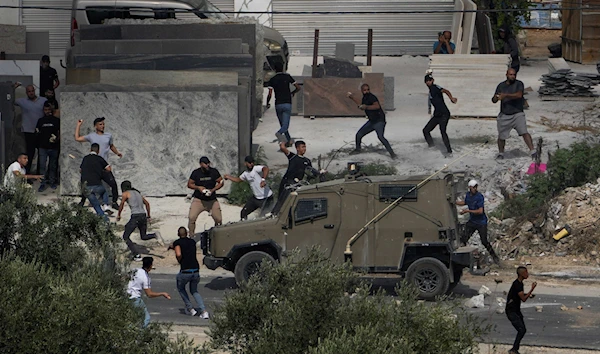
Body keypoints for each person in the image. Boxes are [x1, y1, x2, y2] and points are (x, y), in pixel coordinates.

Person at [75, 117, 122, 209]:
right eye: (100, 124)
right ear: (95, 126)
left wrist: (117, 153)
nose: (103, 126)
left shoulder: (108, 135)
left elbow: (111, 146)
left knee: (113, 183)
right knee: (85, 183)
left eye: (103, 124)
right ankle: (82, 201)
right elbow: (77, 138)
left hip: (103, 166)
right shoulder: (91, 136)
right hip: (93, 166)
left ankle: (114, 202)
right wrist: (78, 125)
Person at [492, 69, 535, 160]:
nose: (513, 76)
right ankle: (501, 153)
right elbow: (494, 100)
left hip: (517, 113)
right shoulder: (501, 85)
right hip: (505, 114)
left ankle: (532, 151)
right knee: (501, 136)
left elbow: (519, 95)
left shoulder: (519, 84)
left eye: (514, 75)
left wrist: (506, 95)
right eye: (511, 74)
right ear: (506, 75)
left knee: (524, 132)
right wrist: (496, 98)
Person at [273, 140, 324, 215]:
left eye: (305, 147)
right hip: (288, 182)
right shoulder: (293, 156)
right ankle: (275, 213)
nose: (304, 149)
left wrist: (319, 173)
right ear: (297, 148)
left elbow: (311, 172)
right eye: (302, 147)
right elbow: (282, 148)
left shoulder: (307, 160)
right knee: (282, 200)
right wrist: (286, 141)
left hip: (298, 183)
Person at [169, 226, 209, 319]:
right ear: (187, 233)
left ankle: (190, 308)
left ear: (178, 234)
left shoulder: (177, 243)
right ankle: (204, 311)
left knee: (181, 288)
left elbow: (179, 253)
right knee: (194, 291)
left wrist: (179, 260)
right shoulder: (192, 242)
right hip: (195, 270)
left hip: (185, 271)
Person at [347, 84, 396, 159]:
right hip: (372, 121)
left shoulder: (372, 97)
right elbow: (360, 104)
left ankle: (392, 153)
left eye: (368, 90)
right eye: (364, 90)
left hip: (379, 121)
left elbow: (377, 106)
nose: (366, 91)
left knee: (381, 137)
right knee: (359, 135)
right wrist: (352, 98)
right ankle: (358, 149)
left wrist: (366, 107)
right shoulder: (365, 98)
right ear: (362, 91)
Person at [456, 180, 500, 264]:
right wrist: (455, 203)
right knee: (463, 238)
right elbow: (465, 202)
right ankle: (463, 259)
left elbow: (480, 211)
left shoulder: (479, 197)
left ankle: (495, 258)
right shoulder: (468, 195)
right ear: (470, 188)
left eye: (475, 187)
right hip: (472, 221)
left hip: (481, 222)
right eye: (473, 187)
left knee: (484, 241)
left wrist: (467, 211)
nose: (475, 189)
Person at [117, 180, 160, 262]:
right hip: (143, 215)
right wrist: (149, 215)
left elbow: (121, 205)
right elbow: (147, 204)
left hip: (135, 216)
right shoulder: (138, 193)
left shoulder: (125, 194)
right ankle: (154, 235)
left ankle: (136, 255)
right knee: (143, 236)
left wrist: (119, 215)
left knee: (125, 237)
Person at [224, 156, 274, 220]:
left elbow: (265, 168)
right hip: (256, 198)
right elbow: (238, 180)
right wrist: (228, 177)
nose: (251, 164)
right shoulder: (245, 174)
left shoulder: (255, 169)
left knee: (265, 216)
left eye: (252, 162)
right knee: (243, 213)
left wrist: (263, 180)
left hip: (266, 198)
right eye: (249, 163)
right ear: (245, 163)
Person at [127, 256, 171, 328]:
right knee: (146, 318)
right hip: (135, 298)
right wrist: (162, 293)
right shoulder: (145, 277)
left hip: (126, 296)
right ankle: (139, 336)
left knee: (130, 318)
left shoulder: (135, 270)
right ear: (150, 266)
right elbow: (149, 294)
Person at [14, 83, 47, 174]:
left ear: (34, 91)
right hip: (28, 131)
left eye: (32, 91)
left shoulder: (43, 100)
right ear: (26, 93)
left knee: (41, 153)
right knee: (30, 154)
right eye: (29, 91)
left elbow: (50, 107)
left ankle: (40, 174)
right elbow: (9, 99)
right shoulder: (22, 101)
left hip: (41, 131)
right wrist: (13, 88)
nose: (31, 93)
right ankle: (27, 174)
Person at [266, 61, 301, 145]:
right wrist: (293, 92)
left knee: (283, 124)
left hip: (278, 104)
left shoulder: (272, 79)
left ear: (274, 69)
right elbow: (298, 87)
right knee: (285, 125)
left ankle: (288, 141)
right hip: (287, 103)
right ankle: (279, 133)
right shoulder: (287, 77)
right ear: (283, 68)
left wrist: (267, 102)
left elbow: (270, 93)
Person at [187, 156, 224, 236]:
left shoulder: (213, 171)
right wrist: (198, 188)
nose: (207, 165)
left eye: (208, 163)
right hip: (199, 200)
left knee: (218, 219)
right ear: (201, 164)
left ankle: (218, 235)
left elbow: (221, 182)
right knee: (191, 218)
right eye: (205, 164)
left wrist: (213, 190)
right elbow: (189, 184)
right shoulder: (196, 173)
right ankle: (191, 235)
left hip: (212, 200)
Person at [423, 74, 457, 157]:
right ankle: (432, 147)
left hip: (444, 114)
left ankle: (449, 151)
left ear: (432, 80)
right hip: (437, 115)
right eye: (427, 81)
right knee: (426, 130)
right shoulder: (430, 91)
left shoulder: (435, 87)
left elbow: (446, 91)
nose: (428, 82)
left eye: (429, 80)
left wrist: (451, 98)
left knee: (442, 131)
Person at [505, 266, 537, 354]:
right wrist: (532, 289)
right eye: (526, 272)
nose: (528, 274)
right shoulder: (517, 284)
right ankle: (514, 350)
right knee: (521, 329)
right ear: (522, 274)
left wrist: (528, 294)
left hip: (516, 310)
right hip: (511, 311)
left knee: (522, 330)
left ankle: (515, 349)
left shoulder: (519, 284)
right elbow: (523, 299)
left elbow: (519, 295)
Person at [80, 143, 112, 220]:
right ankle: (105, 205)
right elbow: (109, 169)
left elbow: (80, 170)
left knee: (96, 205)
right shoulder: (99, 159)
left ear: (90, 149)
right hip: (97, 185)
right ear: (98, 151)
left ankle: (104, 219)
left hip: (87, 187)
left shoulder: (85, 158)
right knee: (104, 191)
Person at [35, 102, 60, 191]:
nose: (47, 111)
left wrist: (56, 139)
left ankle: (52, 182)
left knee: (53, 166)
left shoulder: (56, 120)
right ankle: (43, 183)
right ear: (43, 110)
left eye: (49, 109)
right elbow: (37, 132)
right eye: (45, 110)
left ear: (52, 110)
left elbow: (59, 133)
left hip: (54, 147)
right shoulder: (40, 120)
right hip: (43, 147)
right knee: (42, 166)